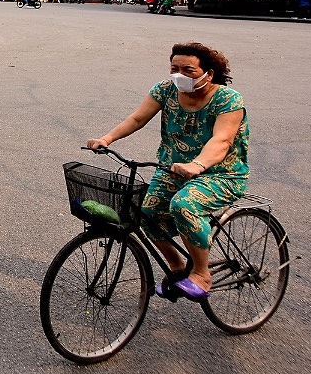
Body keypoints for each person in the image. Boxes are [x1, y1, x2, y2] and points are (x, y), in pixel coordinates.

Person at [86, 42, 248, 301]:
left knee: (184, 205)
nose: (180, 75)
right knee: (147, 214)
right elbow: (137, 118)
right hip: (172, 168)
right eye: (175, 69)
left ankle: (202, 274)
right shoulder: (165, 90)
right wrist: (107, 138)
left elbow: (222, 140)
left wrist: (197, 165)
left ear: (209, 73)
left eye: (189, 70)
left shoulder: (228, 99)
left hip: (220, 174)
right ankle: (177, 267)